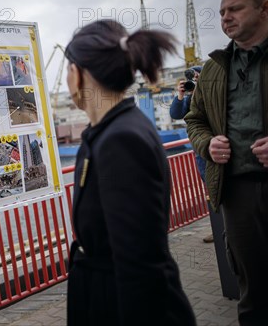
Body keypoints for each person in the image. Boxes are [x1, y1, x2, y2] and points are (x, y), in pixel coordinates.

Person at [65, 19, 195, 325]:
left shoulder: (121, 140)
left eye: (69, 68)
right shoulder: (111, 131)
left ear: (81, 74)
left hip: (119, 305)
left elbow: (140, 265)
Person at [185, 0, 268, 326]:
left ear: (264, 8)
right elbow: (194, 119)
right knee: (251, 289)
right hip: (236, 194)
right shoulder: (214, 68)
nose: (226, 17)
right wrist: (207, 143)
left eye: (235, 9)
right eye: (222, 12)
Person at [169, 65, 213, 243]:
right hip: (200, 151)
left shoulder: (212, 92)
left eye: (197, 78)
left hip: (215, 145)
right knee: (209, 189)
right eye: (194, 80)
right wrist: (180, 94)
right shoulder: (190, 98)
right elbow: (175, 113)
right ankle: (217, 227)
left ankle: (227, 227)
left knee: (222, 187)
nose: (195, 82)